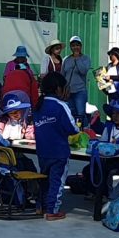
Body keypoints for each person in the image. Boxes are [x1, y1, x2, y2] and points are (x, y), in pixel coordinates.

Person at [33, 71, 79, 220]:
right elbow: (72, 128)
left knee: (44, 179)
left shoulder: (39, 104)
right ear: (59, 89)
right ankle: (52, 210)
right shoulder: (61, 105)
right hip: (59, 151)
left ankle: (40, 206)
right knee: (57, 182)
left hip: (42, 150)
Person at [62, 35, 92, 128]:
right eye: (73, 45)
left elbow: (83, 71)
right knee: (71, 113)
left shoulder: (86, 59)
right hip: (68, 91)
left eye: (77, 45)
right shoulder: (66, 59)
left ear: (81, 46)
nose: (75, 47)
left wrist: (77, 58)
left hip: (80, 91)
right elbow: (62, 74)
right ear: (71, 47)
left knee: (81, 113)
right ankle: (75, 132)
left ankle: (86, 130)